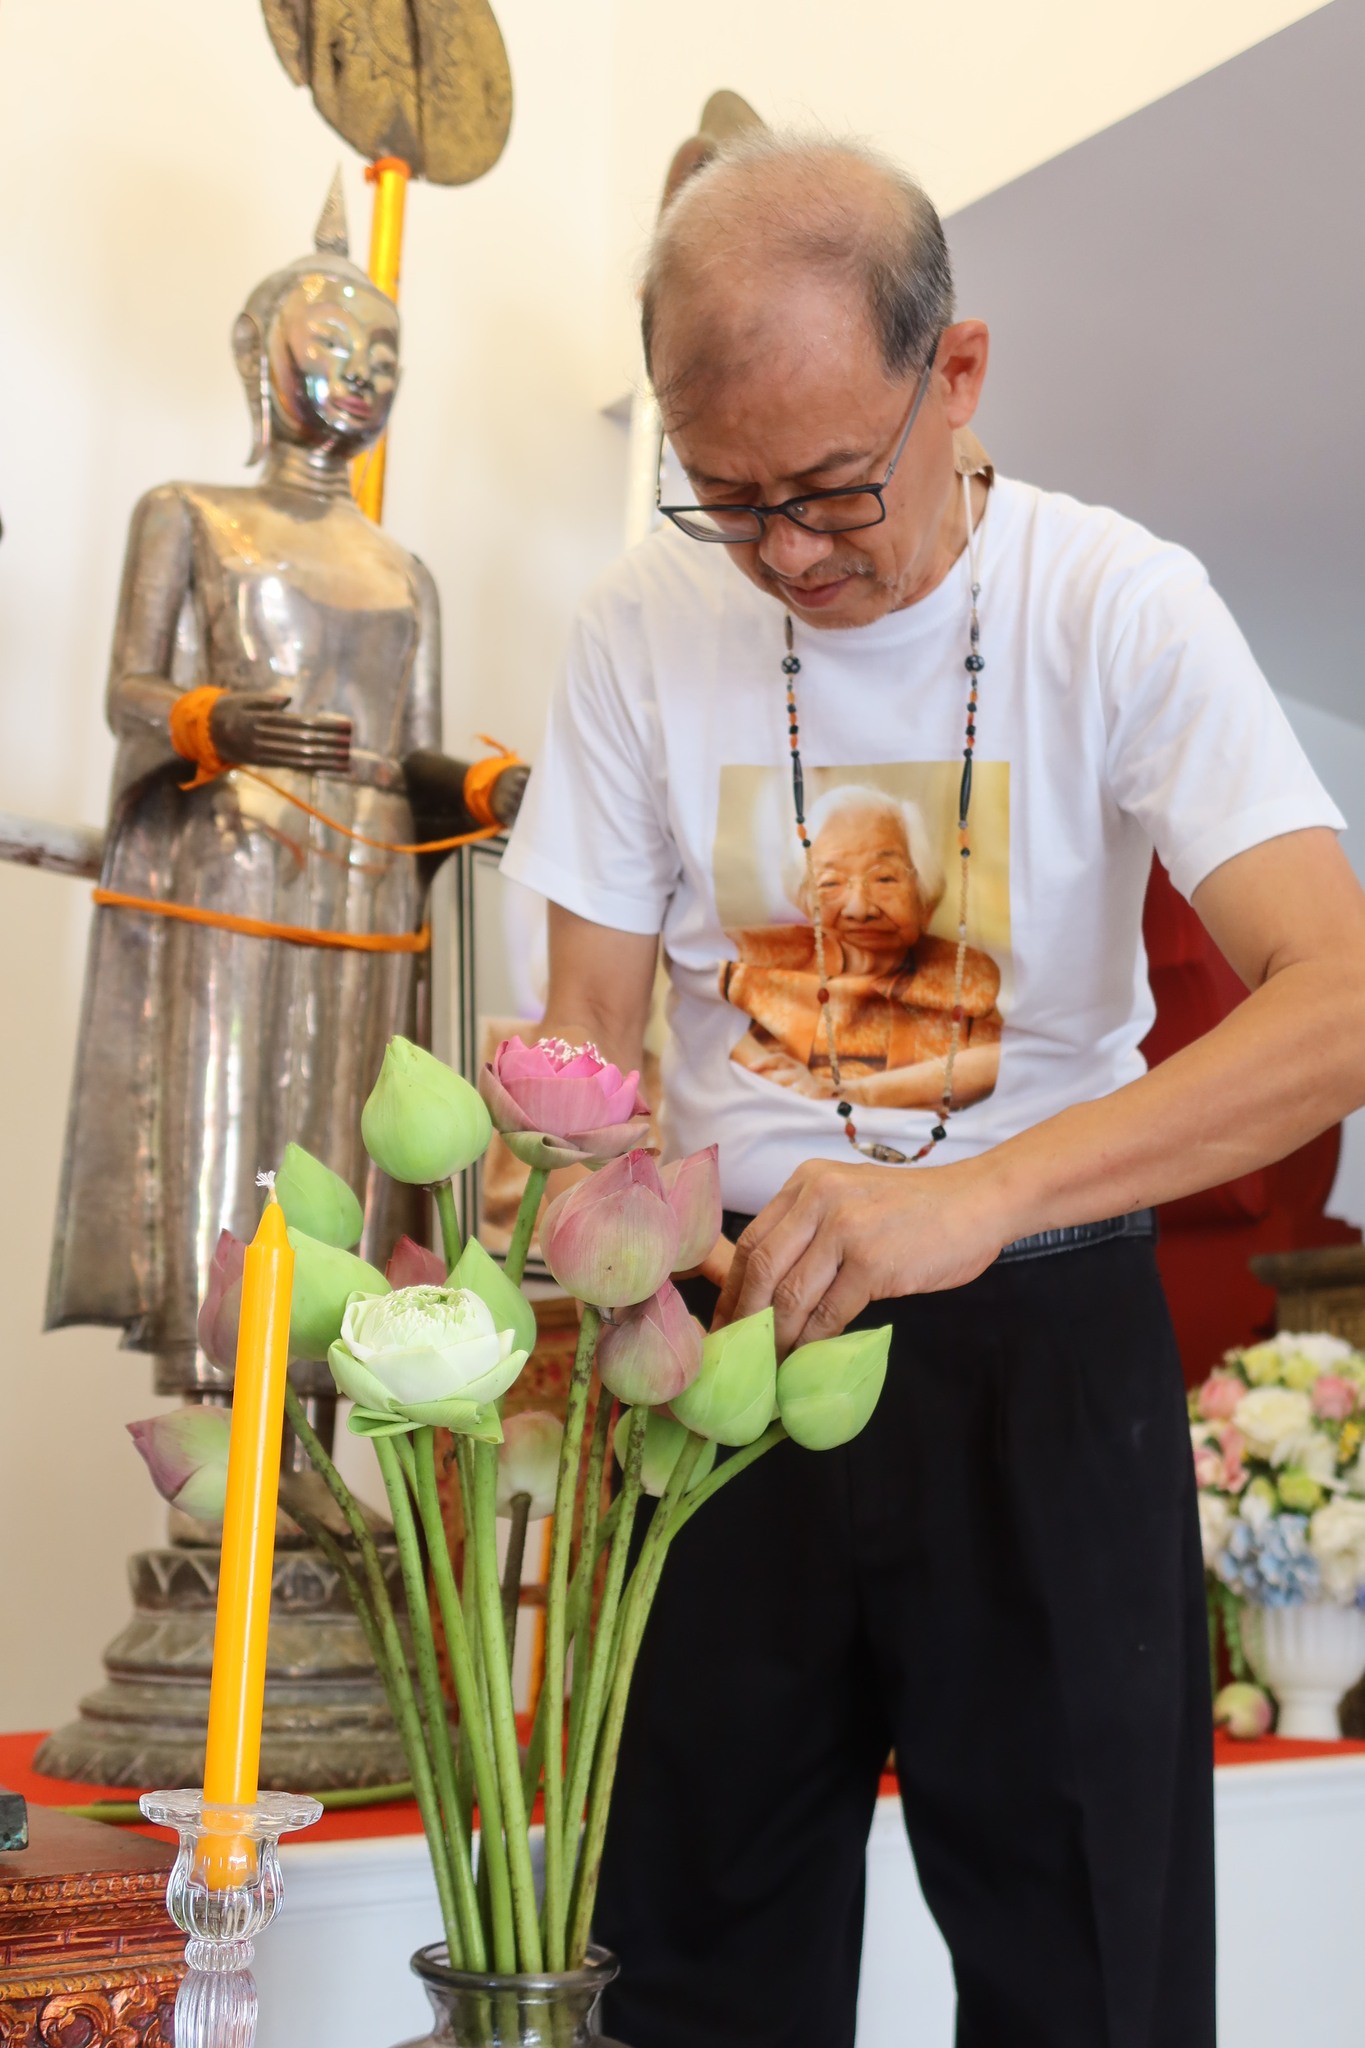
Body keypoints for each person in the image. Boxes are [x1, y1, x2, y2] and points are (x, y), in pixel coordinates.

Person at [501, 132, 1365, 2048]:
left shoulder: (1115, 601)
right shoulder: (642, 624)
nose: (789, 555)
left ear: (954, 374)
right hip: (724, 1341)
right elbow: (588, 1033)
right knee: (680, 1966)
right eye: (730, 500)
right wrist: (571, 1204)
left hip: (1043, 1339)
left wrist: (977, 1193)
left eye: (832, 489)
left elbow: (1342, 1000)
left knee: (1091, 1979)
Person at [723, 780, 1003, 1107]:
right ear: (805, 900)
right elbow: (701, 1002)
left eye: (885, 878)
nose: (860, 909)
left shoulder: (964, 976)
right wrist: (761, 1063)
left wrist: (859, 1093)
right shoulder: (761, 959)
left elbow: (1000, 1059)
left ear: (926, 894)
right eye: (830, 883)